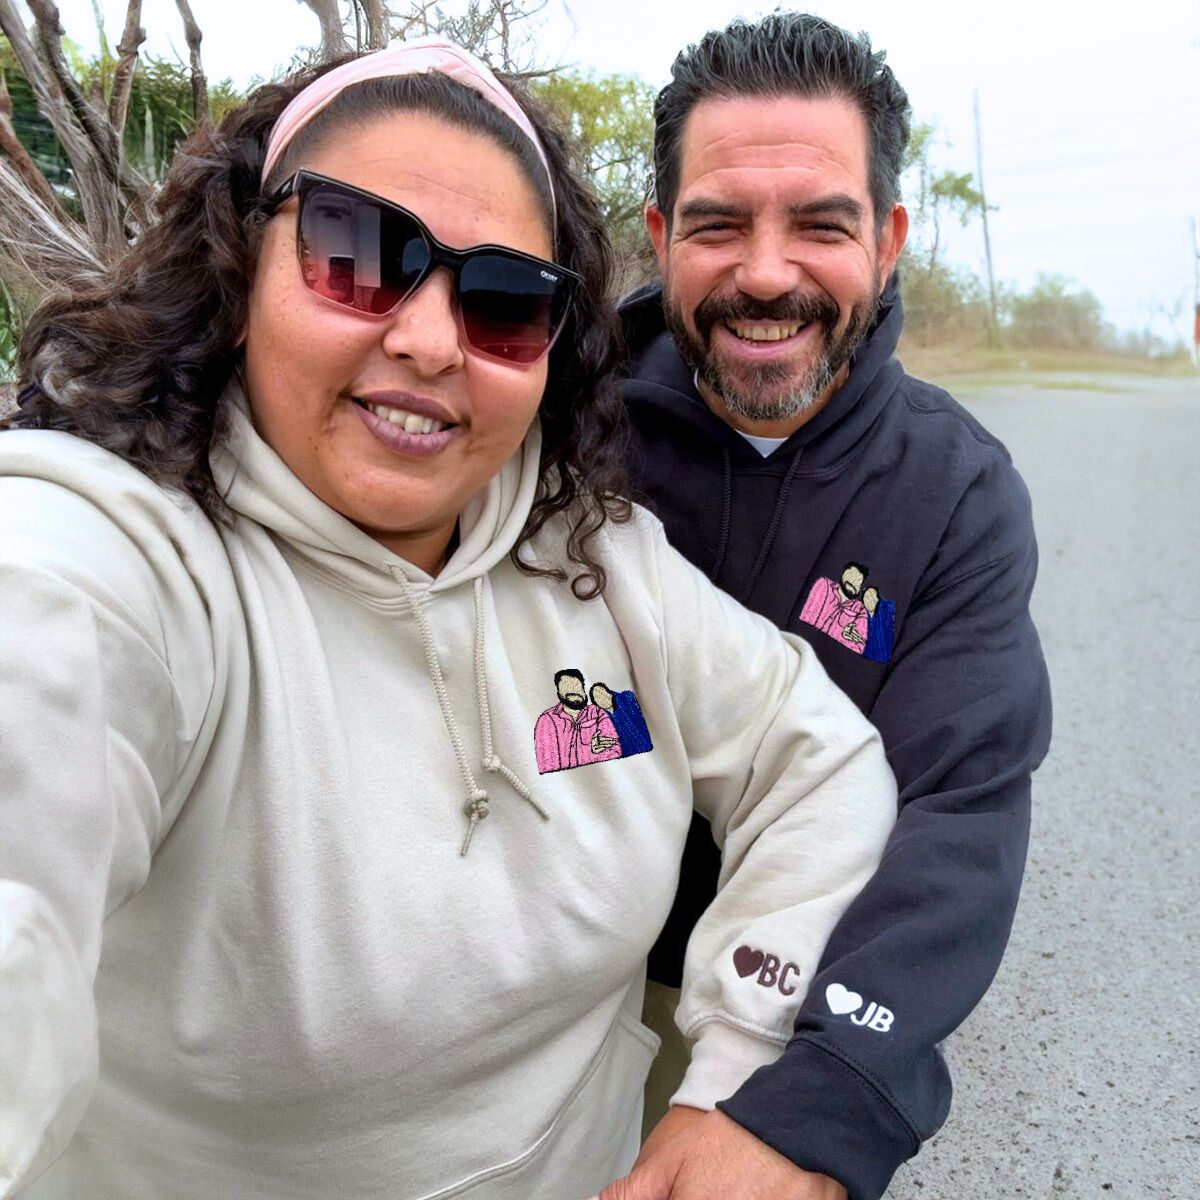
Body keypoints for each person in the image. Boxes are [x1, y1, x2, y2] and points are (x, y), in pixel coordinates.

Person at [0, 36, 898, 1200]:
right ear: (236, 270)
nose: (429, 341)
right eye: (356, 255)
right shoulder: (113, 560)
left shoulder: (597, 557)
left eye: (502, 301)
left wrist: (738, 1077)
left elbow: (817, 763)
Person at [618, 13, 1053, 1200]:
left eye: (820, 223)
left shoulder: (956, 491)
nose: (766, 273)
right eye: (717, 224)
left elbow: (960, 807)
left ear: (892, 238)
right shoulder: (560, 423)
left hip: (786, 991)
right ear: (660, 239)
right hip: (528, 973)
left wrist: (821, 1102)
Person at [534, 668, 622, 772]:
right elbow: (546, 765)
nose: (575, 694)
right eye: (568, 690)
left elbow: (615, 751)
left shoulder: (598, 714)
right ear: (559, 693)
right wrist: (590, 752)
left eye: (578, 688)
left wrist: (595, 754)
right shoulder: (547, 720)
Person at [591, 681, 654, 758]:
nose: (602, 698)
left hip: (645, 748)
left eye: (604, 693)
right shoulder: (598, 718)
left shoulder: (626, 699)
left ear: (610, 693)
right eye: (598, 698)